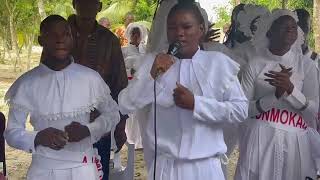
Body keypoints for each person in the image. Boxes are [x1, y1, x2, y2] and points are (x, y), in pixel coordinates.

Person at [119, 3, 248, 180]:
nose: (179, 33)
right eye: (172, 28)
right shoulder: (153, 62)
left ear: (201, 29)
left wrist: (197, 104)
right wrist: (151, 76)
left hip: (206, 167)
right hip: (166, 168)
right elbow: (125, 104)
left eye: (187, 27)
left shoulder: (217, 63)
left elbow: (240, 111)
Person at [4, 15, 120, 180]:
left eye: (66, 34)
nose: (60, 40)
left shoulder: (90, 78)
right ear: (41, 40)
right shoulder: (26, 83)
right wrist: (38, 137)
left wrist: (89, 130)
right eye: (52, 35)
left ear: (72, 39)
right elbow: (12, 133)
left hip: (84, 169)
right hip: (44, 170)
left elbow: (113, 114)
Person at [235, 9, 319, 180]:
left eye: (293, 27)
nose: (290, 29)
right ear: (269, 31)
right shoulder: (255, 64)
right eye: (283, 26)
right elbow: (242, 109)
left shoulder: (307, 65)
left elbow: (313, 111)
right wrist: (273, 97)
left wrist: (291, 90)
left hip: (294, 141)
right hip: (259, 139)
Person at [68, 0, 128, 179]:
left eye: (92, 1)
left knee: (97, 172)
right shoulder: (60, 33)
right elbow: (45, 76)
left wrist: (120, 125)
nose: (86, 5)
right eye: (81, 1)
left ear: (99, 6)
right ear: (74, 3)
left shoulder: (109, 40)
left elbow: (120, 84)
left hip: (98, 122)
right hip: (62, 122)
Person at [121, 23, 148, 149]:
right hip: (129, 84)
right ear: (130, 35)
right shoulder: (124, 50)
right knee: (130, 113)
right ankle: (130, 139)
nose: (136, 36)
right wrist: (129, 72)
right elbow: (120, 68)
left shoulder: (147, 50)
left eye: (138, 34)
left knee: (142, 112)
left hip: (143, 86)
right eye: (134, 33)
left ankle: (141, 140)